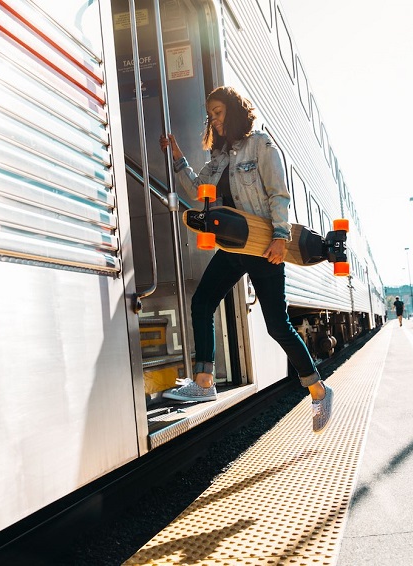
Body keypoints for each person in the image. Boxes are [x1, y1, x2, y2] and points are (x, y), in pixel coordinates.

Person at [159, 86, 333, 433]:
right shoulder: (220, 157)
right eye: (210, 115)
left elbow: (278, 193)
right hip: (235, 247)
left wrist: (281, 237)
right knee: (203, 302)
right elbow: (197, 192)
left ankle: (318, 389)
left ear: (235, 112)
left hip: (264, 245)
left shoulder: (261, 145)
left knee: (276, 324)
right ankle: (204, 382)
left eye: (219, 113)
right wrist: (178, 157)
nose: (215, 120)